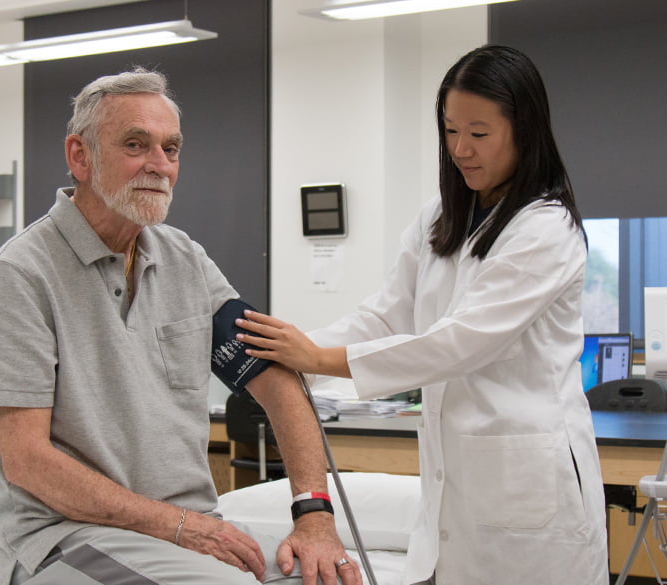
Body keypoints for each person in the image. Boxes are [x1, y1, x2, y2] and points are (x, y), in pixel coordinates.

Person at [0, 67, 361, 585]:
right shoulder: (19, 277)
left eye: (170, 149)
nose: (159, 165)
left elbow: (278, 383)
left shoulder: (185, 261)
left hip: (183, 532)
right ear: (80, 156)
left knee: (333, 577)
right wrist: (180, 527)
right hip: (62, 538)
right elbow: (28, 461)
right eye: (135, 145)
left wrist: (314, 517)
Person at [236, 45, 608, 585]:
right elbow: (385, 317)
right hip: (457, 490)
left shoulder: (546, 227)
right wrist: (288, 362)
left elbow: (459, 343)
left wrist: (316, 356)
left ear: (524, 130)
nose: (460, 148)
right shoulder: (441, 215)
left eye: (479, 134)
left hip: (530, 488)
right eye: (451, 130)